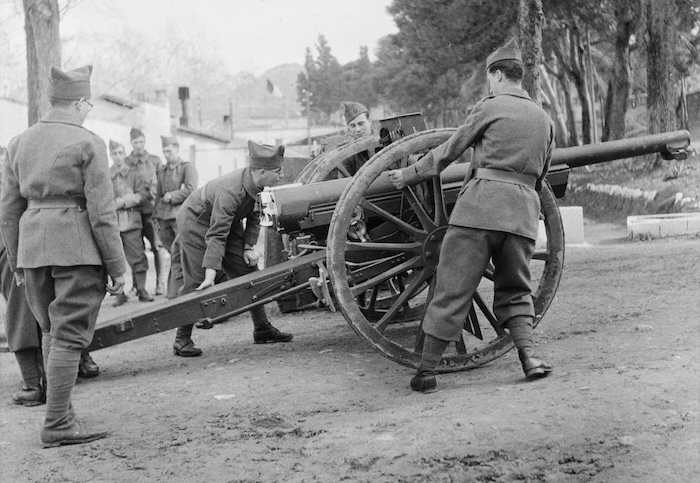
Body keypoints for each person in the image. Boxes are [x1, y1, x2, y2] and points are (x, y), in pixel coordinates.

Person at [387, 38, 555, 393]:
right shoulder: (544, 120)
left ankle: (427, 371)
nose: (489, 84)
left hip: (478, 212)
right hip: (522, 216)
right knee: (516, 288)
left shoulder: (490, 108)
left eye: (489, 78)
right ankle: (529, 358)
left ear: (497, 75)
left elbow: (450, 150)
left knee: (453, 287)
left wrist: (409, 174)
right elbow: (541, 177)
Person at [0, 65, 127, 446]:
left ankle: (63, 413)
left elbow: (8, 210)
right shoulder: (89, 143)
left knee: (51, 330)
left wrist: (17, 261)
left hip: (32, 250)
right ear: (79, 103)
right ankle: (56, 423)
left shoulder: (19, 142)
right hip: (76, 249)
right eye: (88, 104)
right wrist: (117, 266)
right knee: (70, 335)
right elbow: (102, 212)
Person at [172, 141, 293, 357]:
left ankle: (262, 328)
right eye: (277, 171)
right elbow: (217, 234)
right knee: (198, 280)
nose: (281, 175)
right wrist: (211, 273)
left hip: (226, 221)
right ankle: (182, 339)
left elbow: (255, 215)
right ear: (262, 172)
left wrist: (248, 247)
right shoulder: (231, 190)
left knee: (248, 273)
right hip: (196, 220)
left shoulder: (259, 185)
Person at [0, 145, 44, 406]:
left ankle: (33, 385)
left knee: (23, 316)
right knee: (25, 314)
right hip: (12, 251)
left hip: (15, 250)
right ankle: (36, 381)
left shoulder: (12, 176)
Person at [154, 135, 198, 299]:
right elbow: (158, 195)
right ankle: (175, 290)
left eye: (169, 151)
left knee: (182, 253)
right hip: (164, 218)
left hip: (180, 216)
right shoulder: (162, 170)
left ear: (177, 149)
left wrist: (172, 196)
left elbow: (191, 190)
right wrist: (155, 217)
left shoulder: (187, 168)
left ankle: (182, 290)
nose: (167, 155)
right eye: (164, 151)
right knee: (172, 254)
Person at [109, 139, 151, 306]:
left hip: (132, 221)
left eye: (121, 153)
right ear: (111, 155)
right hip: (112, 224)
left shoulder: (134, 174)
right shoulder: (106, 175)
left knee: (138, 257)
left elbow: (142, 194)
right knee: (113, 259)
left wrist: (124, 201)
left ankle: (141, 289)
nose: (118, 156)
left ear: (125, 154)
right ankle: (119, 294)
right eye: (114, 153)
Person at [125, 127, 162, 297]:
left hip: (151, 212)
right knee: (135, 250)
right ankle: (136, 285)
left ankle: (160, 283)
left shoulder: (154, 161)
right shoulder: (126, 162)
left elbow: (161, 185)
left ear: (145, 141)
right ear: (131, 143)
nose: (138, 145)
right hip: (133, 213)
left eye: (141, 142)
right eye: (135, 142)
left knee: (157, 246)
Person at [340, 101, 374, 176]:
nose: (358, 129)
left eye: (361, 124)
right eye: (353, 126)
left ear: (369, 121)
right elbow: (344, 180)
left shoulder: (384, 140)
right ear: (348, 127)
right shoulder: (348, 152)